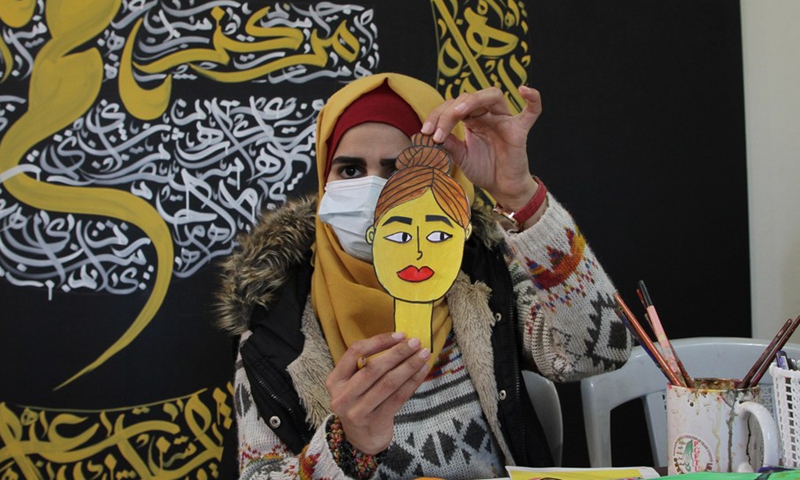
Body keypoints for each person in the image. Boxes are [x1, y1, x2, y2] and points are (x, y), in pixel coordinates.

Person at [216, 72, 633, 479]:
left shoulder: (482, 279)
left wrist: (518, 194)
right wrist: (345, 445)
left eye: (397, 170)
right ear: (324, 178)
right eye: (348, 170)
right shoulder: (276, 329)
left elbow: (600, 350)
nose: (373, 190)